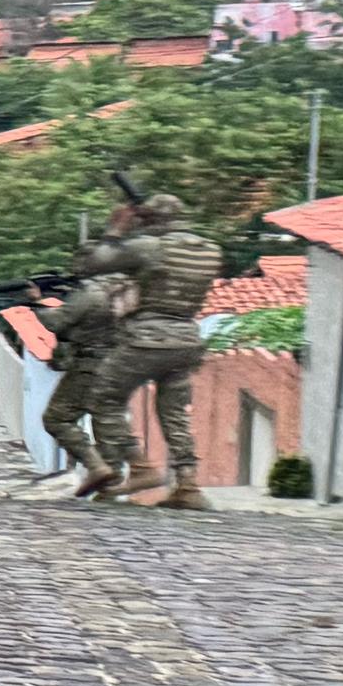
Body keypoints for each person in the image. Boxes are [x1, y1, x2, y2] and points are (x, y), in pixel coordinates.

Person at [77, 191, 228, 508]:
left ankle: (140, 466)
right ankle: (187, 484)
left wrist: (115, 230)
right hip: (187, 337)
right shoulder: (209, 250)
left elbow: (91, 265)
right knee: (174, 413)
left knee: (103, 397)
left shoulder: (150, 246)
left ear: (148, 219)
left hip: (146, 338)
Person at [33, 264, 136, 492]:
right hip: (121, 364)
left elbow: (56, 323)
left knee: (57, 418)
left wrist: (37, 302)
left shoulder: (90, 294)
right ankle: (110, 484)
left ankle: (95, 465)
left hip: (90, 365)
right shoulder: (125, 290)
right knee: (106, 423)